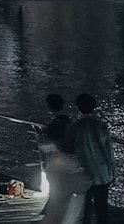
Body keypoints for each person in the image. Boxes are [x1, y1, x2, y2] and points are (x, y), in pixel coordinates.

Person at [65, 93, 116, 224]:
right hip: (103, 174)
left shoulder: (75, 128)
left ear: (78, 108)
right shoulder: (101, 126)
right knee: (102, 208)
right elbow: (109, 151)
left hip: (85, 174)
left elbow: (68, 149)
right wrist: (113, 173)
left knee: (85, 209)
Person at [40, 93, 82, 224]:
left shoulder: (56, 125)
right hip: (69, 160)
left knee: (57, 191)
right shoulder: (69, 121)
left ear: (49, 107)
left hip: (59, 162)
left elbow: (55, 142)